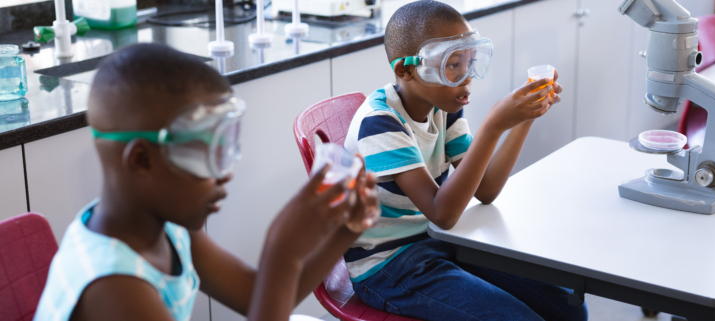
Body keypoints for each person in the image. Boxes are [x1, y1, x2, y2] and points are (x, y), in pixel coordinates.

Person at [33, 43, 381, 321]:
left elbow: (261, 294)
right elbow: (271, 292)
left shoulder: (167, 228)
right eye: (203, 153)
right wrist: (282, 251)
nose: (225, 171)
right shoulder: (114, 288)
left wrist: (346, 231)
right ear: (141, 159)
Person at [342, 1, 588, 320]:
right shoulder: (380, 124)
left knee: (568, 307)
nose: (466, 77)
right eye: (452, 65)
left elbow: (485, 189)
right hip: (390, 266)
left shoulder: (443, 107)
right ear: (405, 70)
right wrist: (492, 126)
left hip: (441, 241)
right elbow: (443, 213)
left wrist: (526, 116)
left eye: (469, 62)